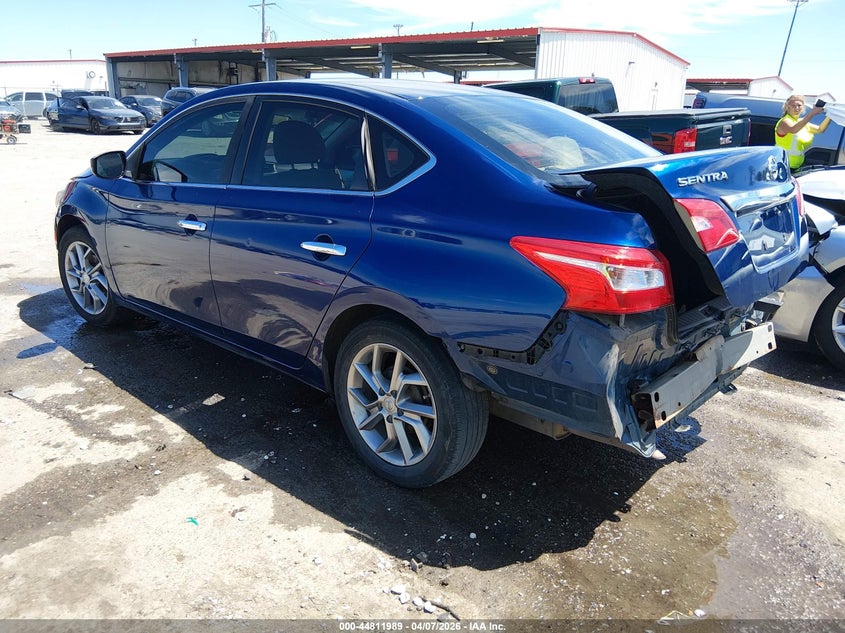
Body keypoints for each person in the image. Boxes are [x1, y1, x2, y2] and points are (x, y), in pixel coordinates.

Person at [775, 94, 831, 171]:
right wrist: (812, 113)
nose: (796, 108)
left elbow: (820, 129)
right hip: (782, 166)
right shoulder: (784, 121)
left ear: (803, 107)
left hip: (795, 167)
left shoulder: (801, 122)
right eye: (793, 106)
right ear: (787, 107)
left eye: (799, 105)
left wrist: (830, 115)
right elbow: (793, 129)